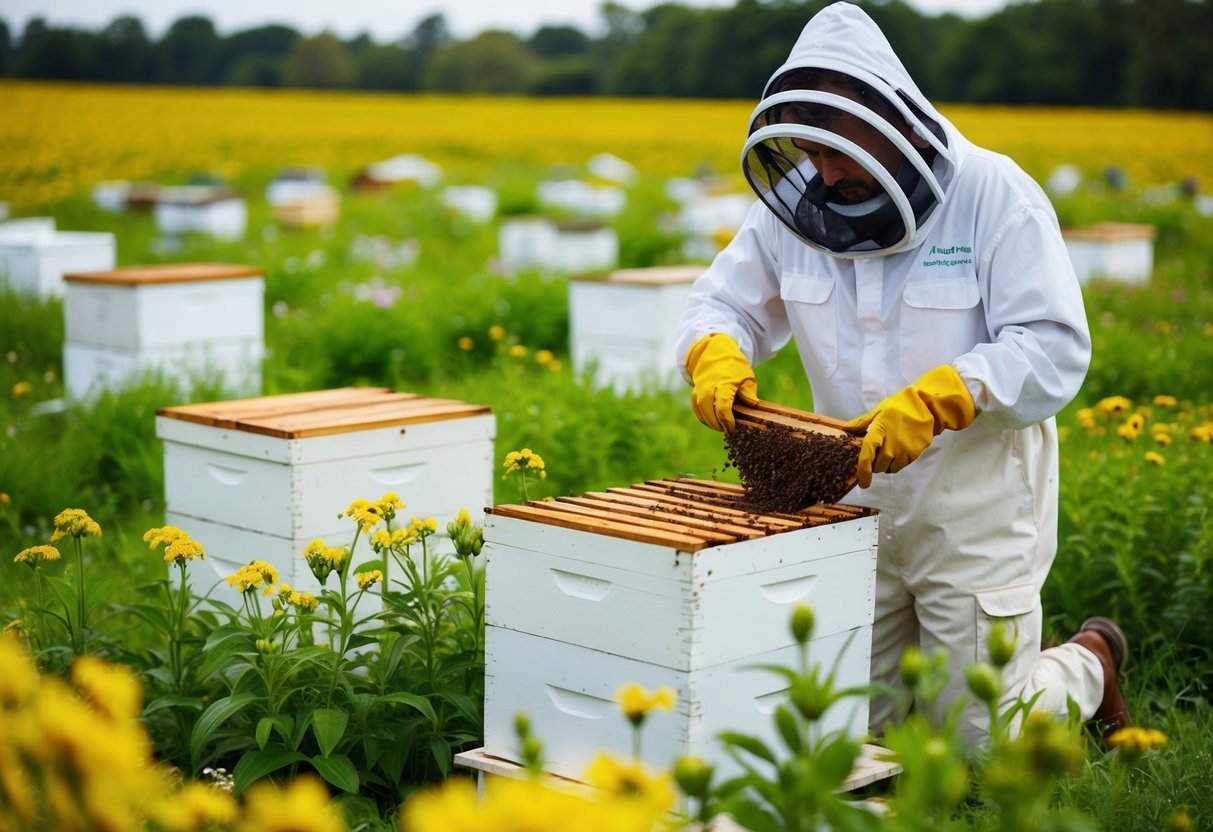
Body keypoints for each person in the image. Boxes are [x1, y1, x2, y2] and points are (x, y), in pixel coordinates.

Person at [675, 1, 1130, 745]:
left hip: (975, 504)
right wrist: (715, 352)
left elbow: (1052, 346)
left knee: (980, 739)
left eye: (840, 152)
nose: (824, 172)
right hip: (851, 502)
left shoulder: (992, 193)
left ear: (891, 124)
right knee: (859, 733)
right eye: (810, 152)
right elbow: (720, 303)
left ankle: (1087, 664)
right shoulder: (795, 211)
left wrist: (946, 394)